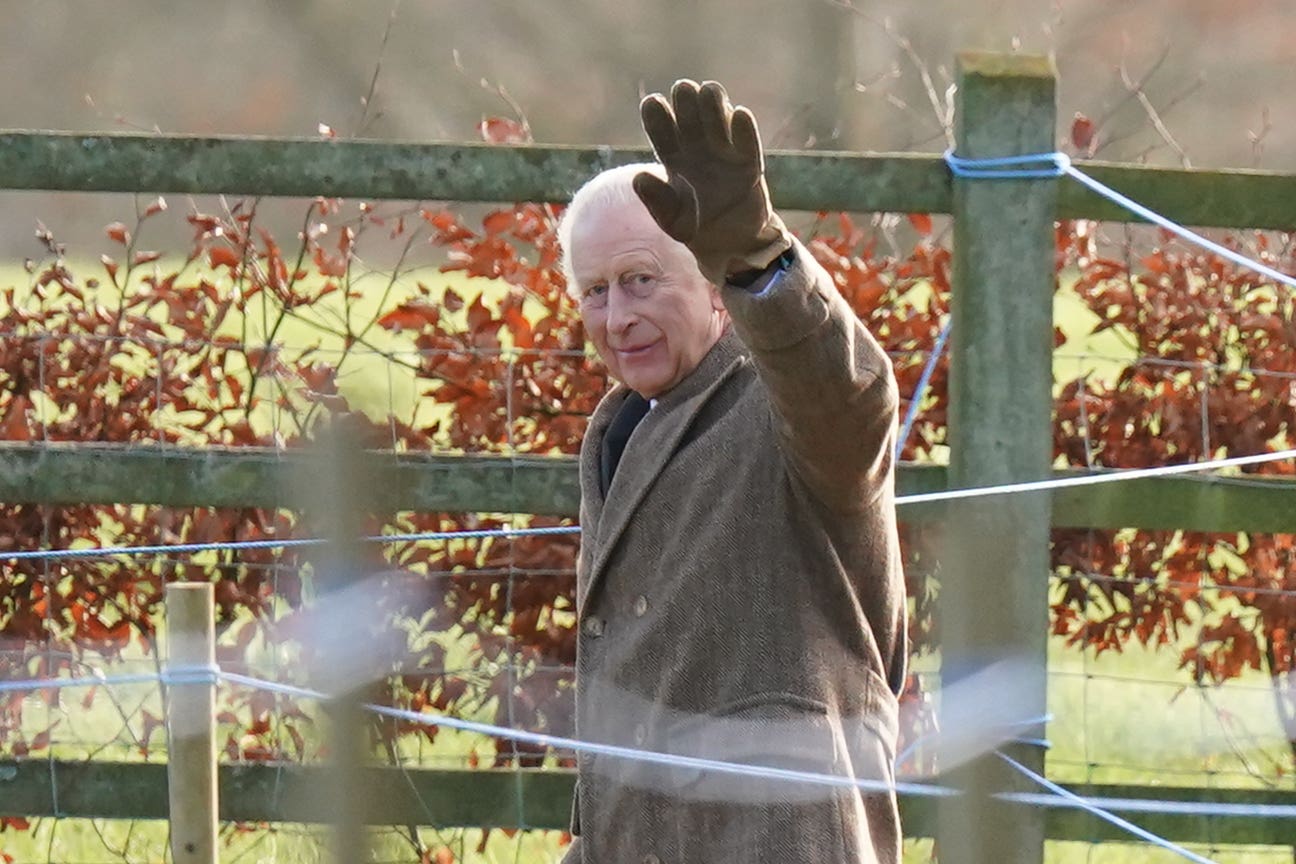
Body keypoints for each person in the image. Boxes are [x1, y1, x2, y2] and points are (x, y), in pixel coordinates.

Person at [556, 79, 907, 864]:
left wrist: (760, 259)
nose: (617, 317)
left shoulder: (782, 404)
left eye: (641, 280)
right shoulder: (619, 432)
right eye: (595, 292)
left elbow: (850, 398)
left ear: (714, 286)